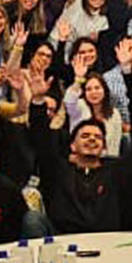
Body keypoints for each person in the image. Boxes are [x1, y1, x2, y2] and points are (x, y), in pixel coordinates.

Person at [27, 67, 120, 234]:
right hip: (63, 240)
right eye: (85, 136)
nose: (92, 139)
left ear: (104, 147)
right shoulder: (58, 169)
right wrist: (38, 100)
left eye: (97, 137)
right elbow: (41, 139)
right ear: (72, 146)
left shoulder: (115, 170)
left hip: (106, 240)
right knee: (33, 220)